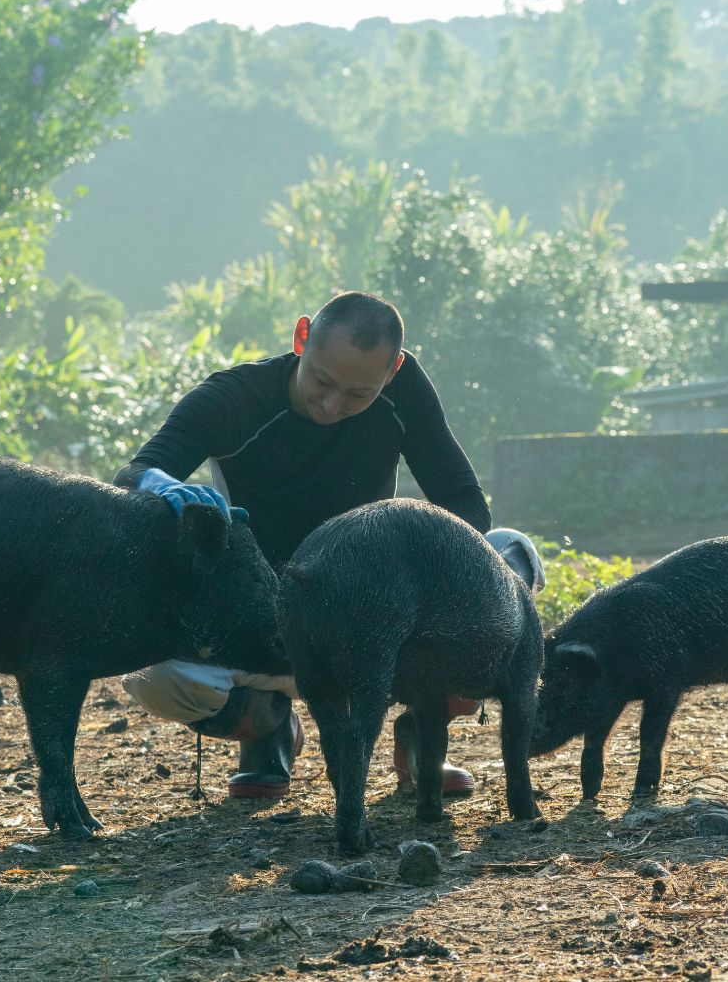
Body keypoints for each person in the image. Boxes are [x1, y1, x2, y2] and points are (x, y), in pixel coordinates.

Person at [112, 291, 541, 800]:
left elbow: (463, 498)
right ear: (301, 339)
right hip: (262, 612)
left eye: (358, 395)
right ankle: (265, 725)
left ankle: (425, 722)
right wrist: (164, 488)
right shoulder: (234, 398)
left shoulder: (405, 392)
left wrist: (435, 582)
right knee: (156, 674)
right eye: (321, 380)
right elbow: (136, 471)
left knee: (508, 557)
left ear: (392, 371)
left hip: (379, 620)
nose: (333, 405)